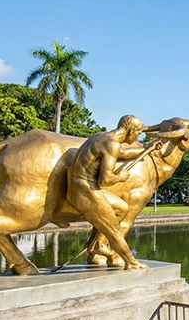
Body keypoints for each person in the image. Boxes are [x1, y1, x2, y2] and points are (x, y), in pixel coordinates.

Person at [66, 115, 158, 269]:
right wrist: (120, 177)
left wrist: (146, 148)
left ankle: (98, 244)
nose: (137, 138)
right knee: (114, 228)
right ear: (131, 131)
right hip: (85, 190)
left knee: (122, 209)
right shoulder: (112, 144)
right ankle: (131, 262)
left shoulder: (102, 137)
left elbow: (122, 153)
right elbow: (105, 180)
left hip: (81, 185)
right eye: (138, 134)